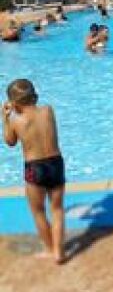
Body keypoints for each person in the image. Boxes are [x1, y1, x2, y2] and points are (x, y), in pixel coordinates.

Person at [2, 79, 65, 264]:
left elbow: (10, 142)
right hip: (55, 163)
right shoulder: (48, 111)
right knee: (57, 209)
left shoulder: (16, 120)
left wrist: (5, 118)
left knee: (38, 211)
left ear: (13, 102)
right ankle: (59, 252)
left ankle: (50, 249)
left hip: (34, 168)